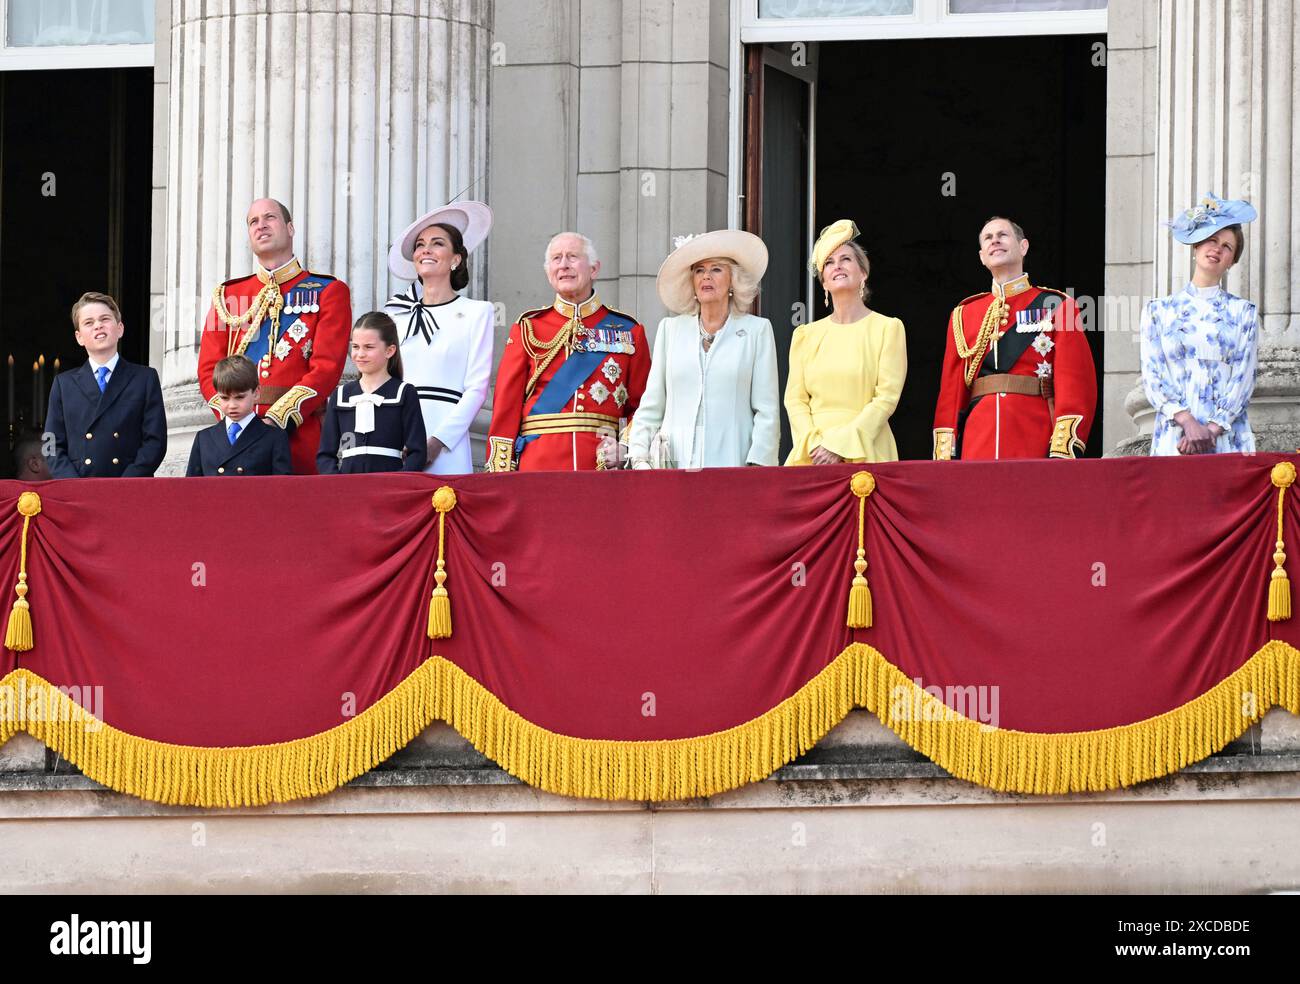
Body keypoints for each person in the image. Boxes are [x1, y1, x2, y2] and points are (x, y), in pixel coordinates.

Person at [197, 198, 351, 474]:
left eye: (270, 218)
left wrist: (277, 419)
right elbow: (209, 369)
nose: (261, 226)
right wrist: (238, 420)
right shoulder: (228, 296)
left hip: (298, 437)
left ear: (290, 228)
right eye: (253, 221)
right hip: (237, 440)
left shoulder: (328, 291)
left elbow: (327, 368)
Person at [932, 216, 1097, 460]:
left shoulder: (1058, 306)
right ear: (981, 257)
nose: (995, 240)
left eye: (1003, 235)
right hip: (979, 438)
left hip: (1035, 431)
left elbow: (1075, 383)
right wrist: (946, 454)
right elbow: (951, 392)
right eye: (988, 238)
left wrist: (1063, 448)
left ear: (1023, 247)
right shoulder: (964, 314)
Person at [486, 232, 651, 471]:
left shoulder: (629, 330)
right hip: (538, 465)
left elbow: (645, 405)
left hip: (601, 465)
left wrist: (625, 446)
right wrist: (500, 474)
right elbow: (506, 409)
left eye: (572, 257)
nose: (563, 265)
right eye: (556, 258)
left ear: (594, 269)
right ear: (548, 272)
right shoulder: (528, 328)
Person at [627, 230, 779, 468]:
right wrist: (639, 456)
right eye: (699, 270)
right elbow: (652, 403)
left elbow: (767, 410)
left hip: (734, 466)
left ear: (733, 280)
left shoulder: (756, 331)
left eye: (716, 269)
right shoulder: (670, 329)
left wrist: (757, 466)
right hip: (674, 469)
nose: (706, 277)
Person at [1141, 193, 1259, 456]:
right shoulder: (1158, 311)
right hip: (1175, 436)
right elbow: (1153, 375)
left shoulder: (1244, 312)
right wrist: (1187, 422)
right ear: (1196, 246)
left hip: (1226, 438)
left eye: (1227, 247)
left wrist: (1212, 430)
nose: (1217, 248)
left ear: (1232, 261)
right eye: (1212, 240)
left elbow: (1244, 376)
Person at [384, 202, 495, 475]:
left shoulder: (477, 312)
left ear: (455, 258)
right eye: (420, 244)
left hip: (448, 441)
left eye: (437, 243)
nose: (426, 250)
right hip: (396, 435)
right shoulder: (395, 313)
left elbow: (477, 389)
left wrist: (438, 441)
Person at [785, 220, 907, 466]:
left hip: (866, 450)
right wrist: (814, 444)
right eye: (829, 263)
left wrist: (842, 445)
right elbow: (795, 400)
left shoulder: (888, 328)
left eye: (846, 259)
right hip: (813, 456)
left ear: (863, 272)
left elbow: (886, 398)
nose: (837, 266)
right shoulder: (805, 335)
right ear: (824, 283)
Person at [45, 291, 167, 478]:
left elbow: (155, 441)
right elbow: (50, 443)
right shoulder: (63, 384)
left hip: (129, 488)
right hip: (78, 489)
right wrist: (72, 484)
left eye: (105, 319)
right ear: (79, 337)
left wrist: (127, 482)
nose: (98, 326)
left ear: (120, 329)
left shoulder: (145, 378)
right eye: (89, 322)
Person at [317, 312, 427, 474]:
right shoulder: (340, 396)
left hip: (390, 488)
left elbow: (417, 452)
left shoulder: (404, 393)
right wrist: (337, 483)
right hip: (349, 489)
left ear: (389, 351)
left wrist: (398, 483)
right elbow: (325, 454)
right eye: (355, 347)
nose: (360, 354)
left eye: (369, 347)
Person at [186, 356, 292, 476]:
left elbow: (281, 488)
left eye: (239, 397)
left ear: (256, 393)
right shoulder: (204, 438)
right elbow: (192, 488)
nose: (232, 405)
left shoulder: (274, 437)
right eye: (224, 398)